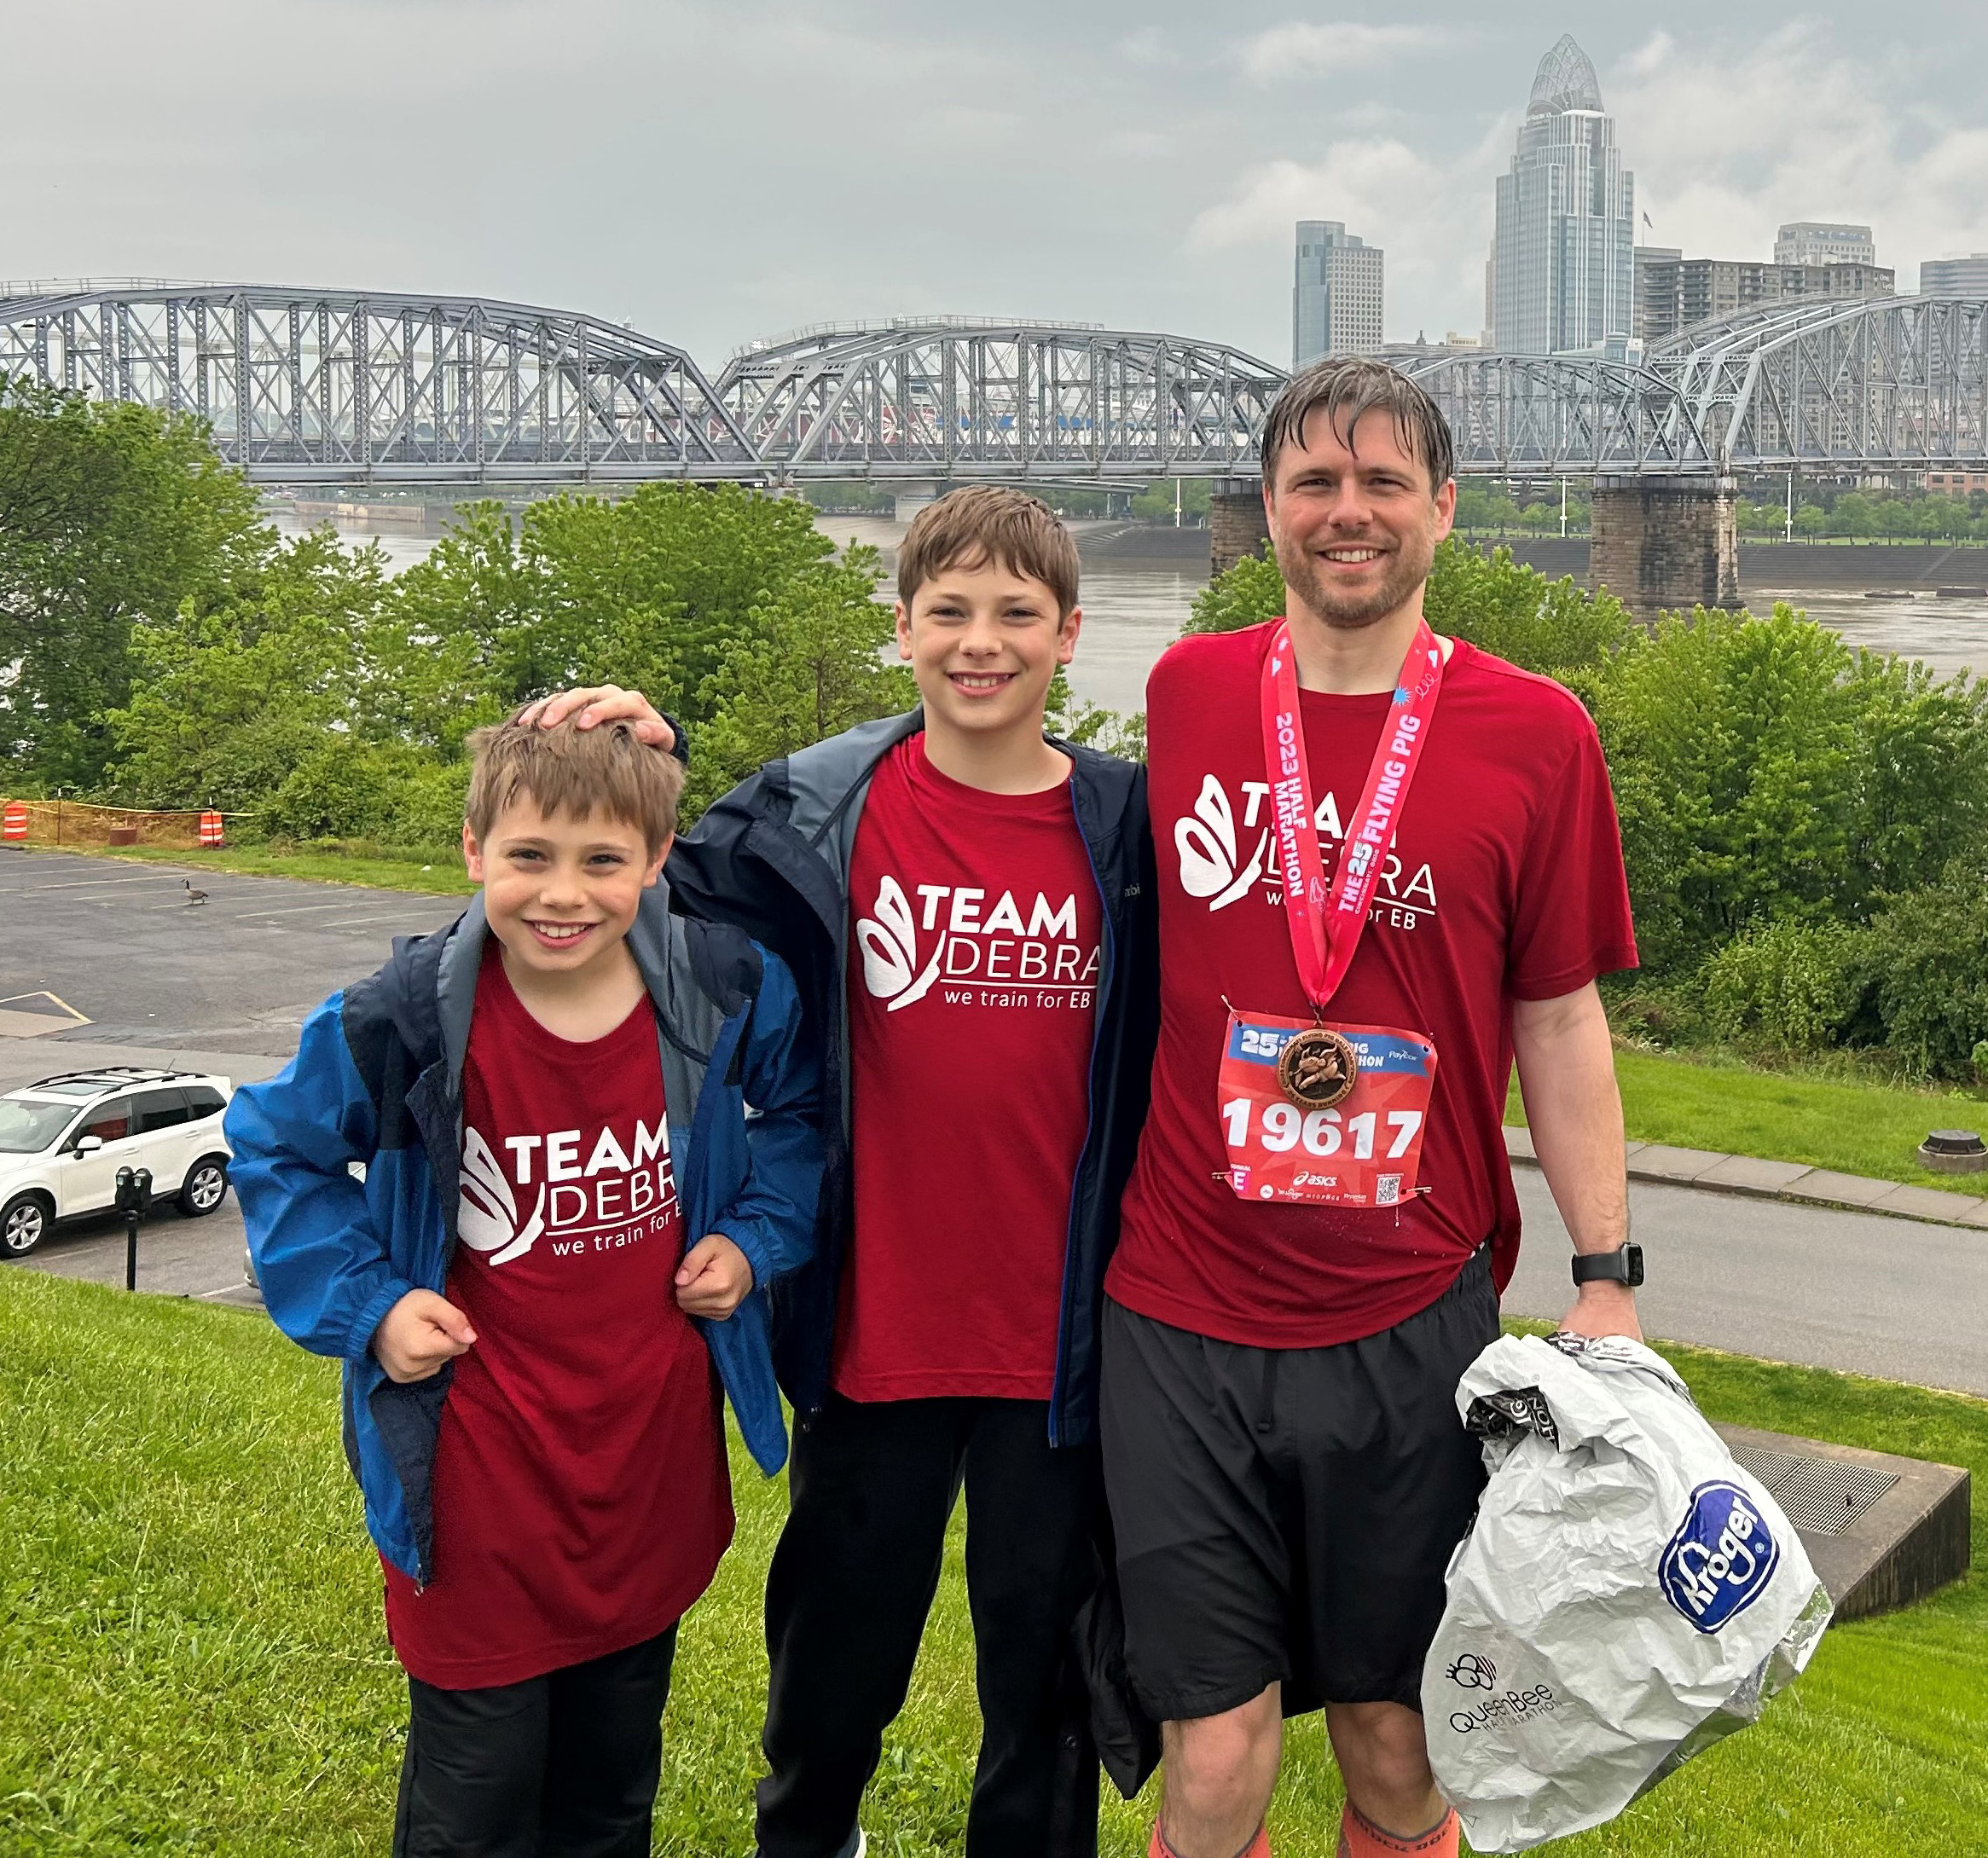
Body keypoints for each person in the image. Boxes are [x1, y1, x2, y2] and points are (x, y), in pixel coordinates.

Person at [535, 485, 1156, 1858]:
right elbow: (654, 891)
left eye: (1014, 615)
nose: (978, 643)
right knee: (828, 1681)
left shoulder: (1131, 830)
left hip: (1059, 1354)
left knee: (1042, 1700)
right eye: (948, 613)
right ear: (901, 630)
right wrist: (649, 748)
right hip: (875, 1333)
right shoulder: (820, 808)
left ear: (1069, 634)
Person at [1102, 356, 1642, 1858]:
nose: (1349, 514)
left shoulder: (1537, 730)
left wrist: (1605, 1278)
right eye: (1314, 484)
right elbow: (986, 770)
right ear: (1269, 510)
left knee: (1399, 1750)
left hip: (1409, 1315)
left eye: (1383, 483)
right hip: (1180, 1308)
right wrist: (631, 754)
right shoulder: (1188, 690)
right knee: (1212, 1761)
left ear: (1444, 511)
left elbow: (1561, 1012)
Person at [225, 710, 822, 1858]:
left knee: (607, 1803)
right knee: (476, 1811)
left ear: (656, 862)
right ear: (472, 852)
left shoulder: (718, 991)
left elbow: (805, 1116)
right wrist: (372, 1306)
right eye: (529, 857)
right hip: (480, 1490)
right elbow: (273, 1149)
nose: (565, 893)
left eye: (604, 860)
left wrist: (753, 1237)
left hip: (645, 1479)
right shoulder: (399, 1024)